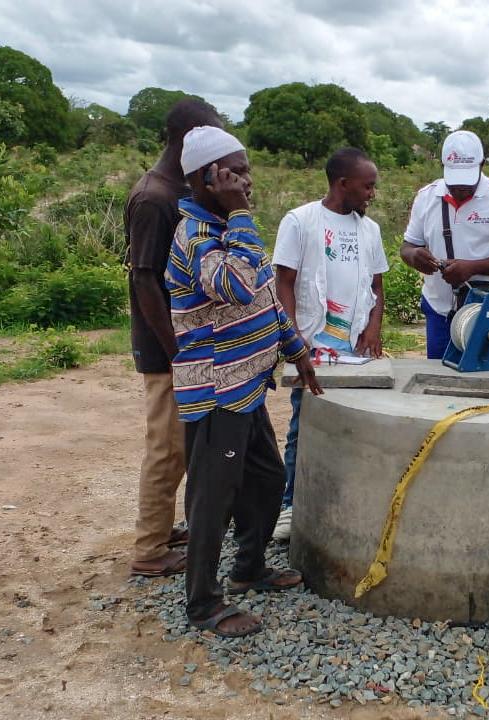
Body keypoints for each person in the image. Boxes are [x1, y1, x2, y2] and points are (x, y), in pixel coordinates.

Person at [165, 126, 322, 638]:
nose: (248, 181)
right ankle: (204, 604)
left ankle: (249, 569)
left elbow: (265, 297)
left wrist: (297, 352)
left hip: (247, 385)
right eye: (237, 171)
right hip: (215, 390)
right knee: (212, 497)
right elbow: (234, 286)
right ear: (208, 178)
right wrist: (239, 214)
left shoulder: (230, 229)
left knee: (267, 480)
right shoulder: (196, 236)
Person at [125, 99, 222, 577]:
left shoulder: (174, 190)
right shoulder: (153, 198)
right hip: (166, 347)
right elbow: (144, 279)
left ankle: (164, 531)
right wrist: (176, 349)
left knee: (183, 442)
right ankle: (149, 551)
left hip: (179, 344)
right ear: (191, 139)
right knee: (166, 445)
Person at [270, 148, 387, 540]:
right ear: (343, 183)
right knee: (305, 425)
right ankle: (291, 505)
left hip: (354, 349)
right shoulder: (301, 222)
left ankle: (345, 502)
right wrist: (293, 337)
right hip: (313, 348)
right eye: (367, 185)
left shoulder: (368, 230)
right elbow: (283, 282)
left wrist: (374, 328)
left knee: (353, 423)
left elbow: (376, 285)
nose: (372, 193)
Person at [400, 130, 489, 358]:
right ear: (442, 166)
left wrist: (471, 268)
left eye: (466, 182)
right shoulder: (426, 198)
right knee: (438, 381)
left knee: (486, 380)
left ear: (482, 164)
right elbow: (407, 247)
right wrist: (414, 255)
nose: (460, 190)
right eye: (454, 182)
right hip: (439, 310)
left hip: (484, 310)